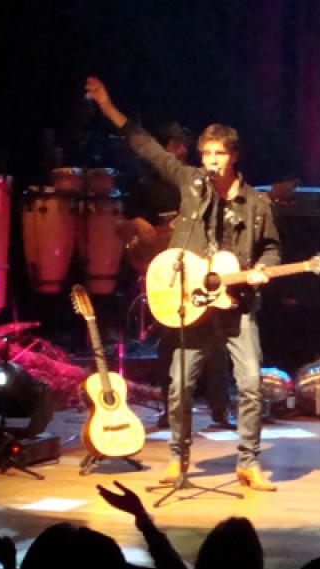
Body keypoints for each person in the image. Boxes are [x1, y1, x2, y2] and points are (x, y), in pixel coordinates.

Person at [86, 76, 280, 491]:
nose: (211, 161)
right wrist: (107, 106)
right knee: (179, 388)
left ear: (234, 156)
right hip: (191, 303)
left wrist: (263, 268)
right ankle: (179, 459)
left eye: (219, 154)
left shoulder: (256, 203)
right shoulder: (192, 184)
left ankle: (248, 463)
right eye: (206, 153)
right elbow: (147, 148)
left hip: (237, 304)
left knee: (250, 384)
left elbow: (271, 249)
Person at [122, 122, 235, 430]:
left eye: (184, 144)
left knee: (215, 341)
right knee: (169, 344)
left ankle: (221, 410)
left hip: (202, 274)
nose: (181, 150)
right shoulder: (145, 187)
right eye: (174, 144)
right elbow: (123, 225)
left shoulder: (198, 182)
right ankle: (170, 410)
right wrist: (137, 224)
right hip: (168, 277)